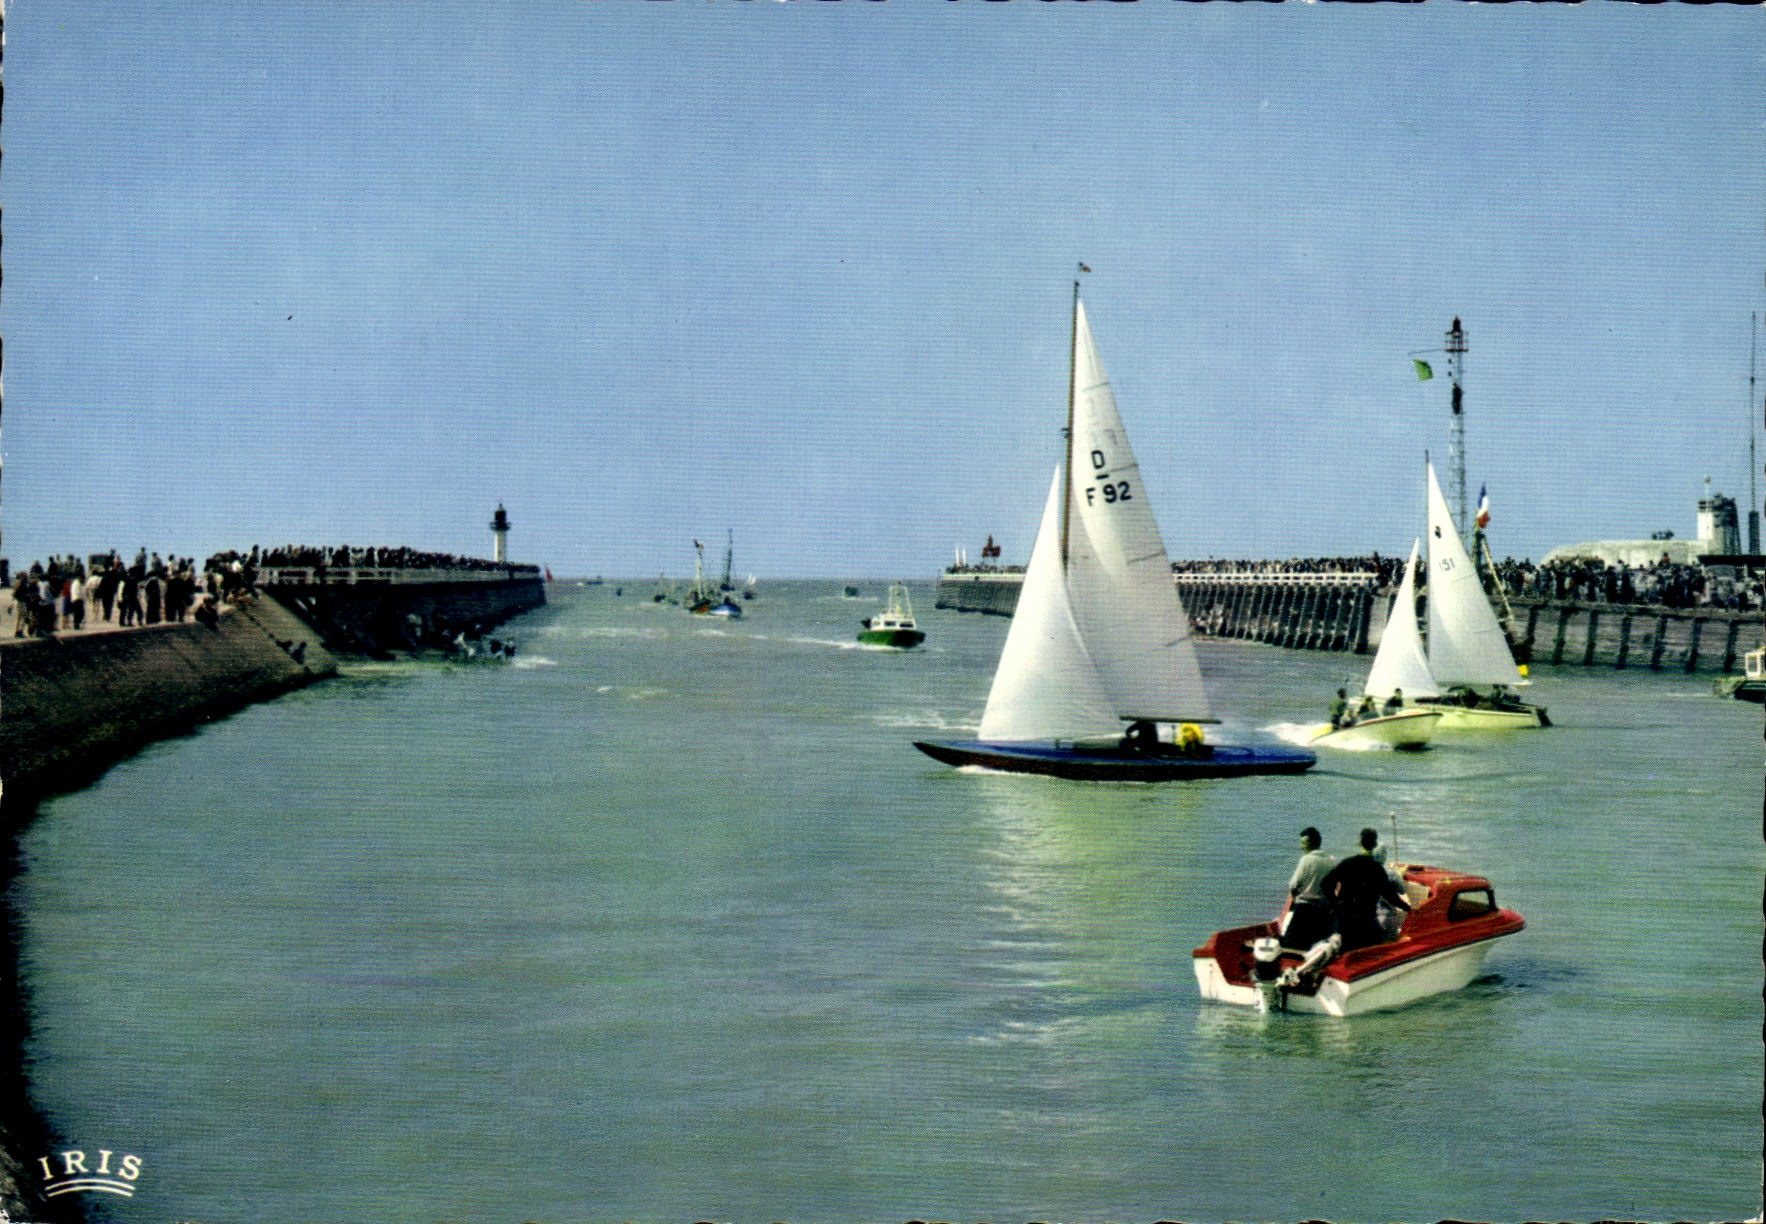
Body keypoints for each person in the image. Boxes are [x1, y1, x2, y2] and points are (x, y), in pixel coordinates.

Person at [1321, 828, 1412, 951]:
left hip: (1345, 920)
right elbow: (1391, 896)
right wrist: (1408, 908)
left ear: (1359, 843)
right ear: (1374, 845)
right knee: (1374, 950)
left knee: (1343, 952)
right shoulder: (1378, 870)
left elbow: (1326, 884)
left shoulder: (1348, 864)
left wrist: (1335, 904)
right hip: (1366, 922)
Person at [1283, 827, 1337, 951]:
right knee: (1316, 947)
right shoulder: (1331, 862)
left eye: (1303, 843)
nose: (1301, 847)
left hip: (1304, 909)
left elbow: (1294, 884)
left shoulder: (1306, 860)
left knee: (1291, 946)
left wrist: (1294, 897)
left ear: (1311, 844)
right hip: (1323, 911)